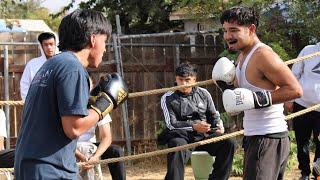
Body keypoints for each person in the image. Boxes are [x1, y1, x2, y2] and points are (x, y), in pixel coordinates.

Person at [14, 9, 128, 179]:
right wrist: (105, 104)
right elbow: (74, 128)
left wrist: (90, 103)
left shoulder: (52, 65)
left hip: (33, 166)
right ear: (93, 38)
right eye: (105, 41)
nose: (105, 49)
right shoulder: (73, 68)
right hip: (50, 170)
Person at [219, 6, 303, 180]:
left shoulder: (263, 55)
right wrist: (225, 84)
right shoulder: (242, 56)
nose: (228, 36)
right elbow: (241, 100)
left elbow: (295, 89)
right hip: (256, 137)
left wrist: (258, 99)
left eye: (234, 30)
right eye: (225, 30)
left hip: (268, 137)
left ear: (251, 29)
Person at [158, 62, 236, 180]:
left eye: (188, 80)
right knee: (176, 145)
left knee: (229, 142)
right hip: (182, 137)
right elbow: (171, 124)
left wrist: (218, 126)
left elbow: (213, 115)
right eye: (180, 79)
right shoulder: (168, 97)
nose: (184, 83)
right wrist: (194, 126)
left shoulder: (204, 93)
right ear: (176, 79)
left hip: (204, 137)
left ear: (194, 80)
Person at [75, 76, 126, 180]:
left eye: (88, 86)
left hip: (90, 147)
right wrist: (81, 156)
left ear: (92, 86)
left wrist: (95, 157)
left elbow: (107, 137)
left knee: (116, 151)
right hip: (70, 146)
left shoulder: (98, 104)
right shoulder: (68, 103)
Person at [284, 42, 320, 180]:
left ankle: (318, 174)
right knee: (302, 141)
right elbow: (294, 75)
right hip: (302, 104)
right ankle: (304, 173)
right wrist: (289, 99)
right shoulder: (308, 50)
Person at [20, 32, 57, 101]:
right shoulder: (32, 64)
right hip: (37, 106)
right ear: (41, 46)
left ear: (55, 45)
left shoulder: (62, 63)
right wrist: (29, 103)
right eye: (46, 45)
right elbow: (24, 85)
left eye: (51, 44)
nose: (49, 47)